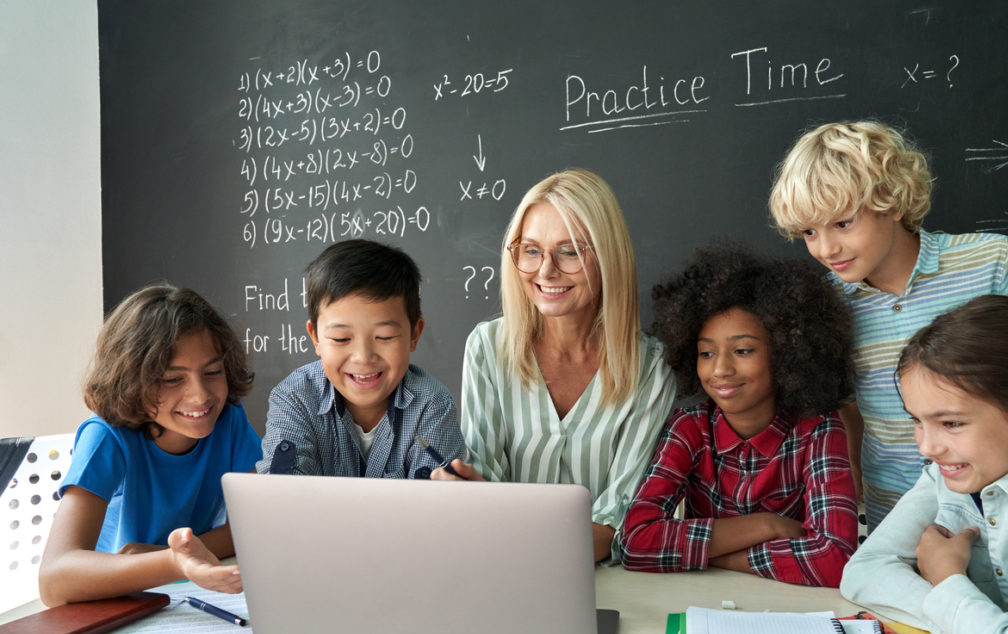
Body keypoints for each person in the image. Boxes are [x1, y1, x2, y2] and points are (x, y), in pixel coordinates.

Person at [768, 120, 1008, 530]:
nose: (826, 248)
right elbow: (847, 403)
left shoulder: (995, 263)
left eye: (842, 223)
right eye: (809, 232)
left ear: (892, 201)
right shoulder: (826, 304)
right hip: (899, 517)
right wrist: (853, 482)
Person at [433, 168, 676, 563]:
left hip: (607, 585)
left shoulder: (649, 367)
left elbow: (623, 525)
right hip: (503, 572)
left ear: (607, 256)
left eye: (570, 252)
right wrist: (470, 495)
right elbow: (484, 491)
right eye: (531, 250)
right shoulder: (488, 348)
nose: (545, 271)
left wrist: (500, 518)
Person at [841, 295, 1008, 634]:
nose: (927, 446)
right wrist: (979, 633)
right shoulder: (953, 468)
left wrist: (948, 581)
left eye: (951, 423)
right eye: (917, 421)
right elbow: (863, 571)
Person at [617, 245, 858, 586]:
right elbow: (635, 543)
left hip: (792, 608)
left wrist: (715, 555)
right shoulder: (689, 428)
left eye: (743, 350)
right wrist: (767, 525)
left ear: (786, 351)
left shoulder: (817, 427)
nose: (721, 369)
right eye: (706, 353)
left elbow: (836, 558)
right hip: (702, 602)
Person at [39, 285, 261, 606]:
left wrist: (177, 554)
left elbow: (253, 528)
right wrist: (172, 561)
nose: (200, 395)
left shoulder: (229, 419)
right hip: (111, 599)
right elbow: (53, 581)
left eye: (213, 371)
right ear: (132, 379)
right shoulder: (106, 436)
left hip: (184, 590)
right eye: (173, 379)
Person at [257, 239, 465, 477]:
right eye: (341, 338)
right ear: (316, 338)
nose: (363, 357)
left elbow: (437, 503)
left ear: (414, 334)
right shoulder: (295, 398)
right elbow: (280, 495)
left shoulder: (431, 405)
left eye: (385, 337)